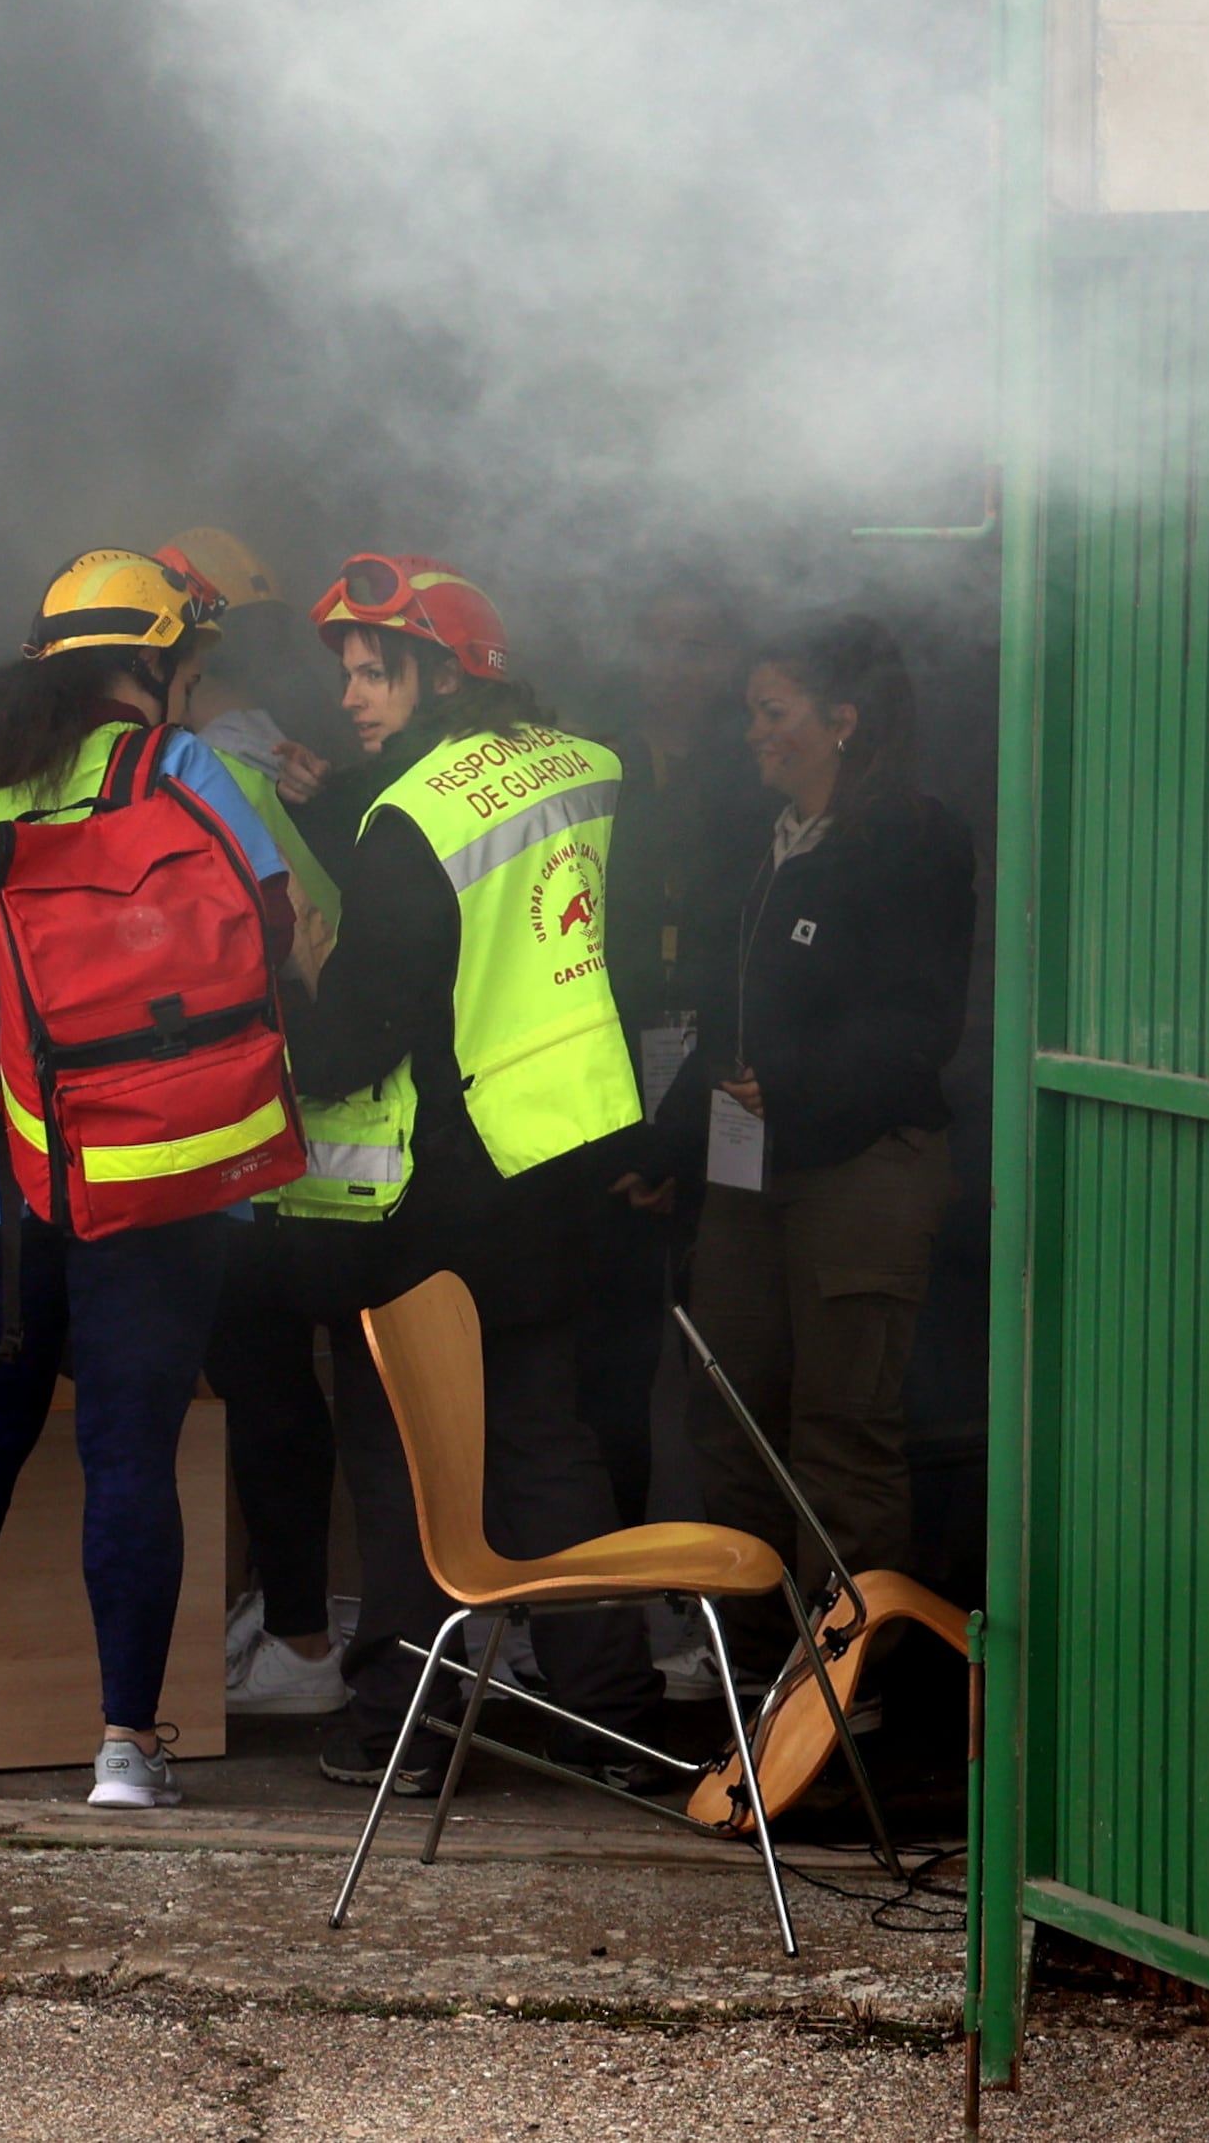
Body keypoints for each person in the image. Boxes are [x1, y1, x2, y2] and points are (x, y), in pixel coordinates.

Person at [0, 551, 300, 1811]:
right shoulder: (181, 767)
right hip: (152, 1168)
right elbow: (268, 928)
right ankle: (125, 1748)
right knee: (126, 1454)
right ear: (156, 661)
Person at [285, 550, 677, 1794]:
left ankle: (400, 1717)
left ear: (443, 671)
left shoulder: (406, 820)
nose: (351, 696)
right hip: (555, 1168)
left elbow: (353, 1041)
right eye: (346, 673)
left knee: (406, 1453)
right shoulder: (591, 768)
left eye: (374, 671)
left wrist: (300, 971)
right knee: (544, 1445)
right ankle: (610, 1709)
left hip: (431, 1188)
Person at [681, 616, 978, 1597]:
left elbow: (919, 1023)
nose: (751, 731)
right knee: (734, 1412)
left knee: (841, 1430)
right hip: (747, 1165)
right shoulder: (766, 837)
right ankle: (754, 1655)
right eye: (749, 711)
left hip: (861, 1166)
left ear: (841, 720)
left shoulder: (914, 838)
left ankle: (845, 1682)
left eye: (772, 712)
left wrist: (795, 1080)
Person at [591, 582, 767, 1526]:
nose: (677, 669)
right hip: (615, 1067)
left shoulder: (758, 772)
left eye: (697, 646)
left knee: (725, 1342)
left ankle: (722, 1579)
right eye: (659, 644)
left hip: (726, 1073)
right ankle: (620, 1568)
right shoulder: (597, 761)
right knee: (613, 1349)